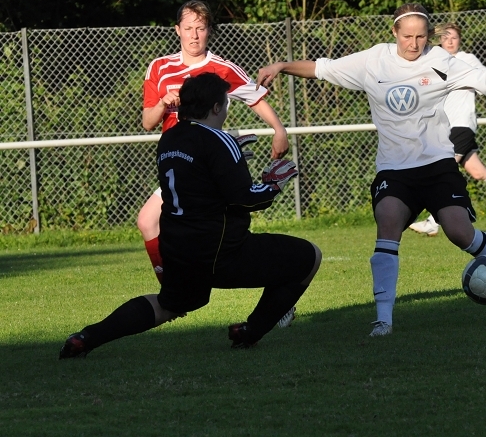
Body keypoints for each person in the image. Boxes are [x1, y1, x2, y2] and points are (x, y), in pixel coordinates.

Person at [256, 3, 486, 337]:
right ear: (395, 33)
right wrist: (283, 65)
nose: (414, 43)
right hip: (394, 169)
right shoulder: (373, 60)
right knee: (387, 224)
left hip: (437, 166)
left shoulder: (441, 61)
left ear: (428, 36)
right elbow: (322, 68)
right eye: (407, 36)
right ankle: (384, 321)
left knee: (460, 232)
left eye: (420, 36)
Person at [59, 72, 322, 359]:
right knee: (308, 257)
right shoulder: (219, 140)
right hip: (221, 253)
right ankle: (250, 332)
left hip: (179, 249)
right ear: (216, 108)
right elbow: (245, 200)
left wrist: (232, 161)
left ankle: (86, 338)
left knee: (168, 304)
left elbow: (200, 180)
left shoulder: (170, 138)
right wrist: (273, 185)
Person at [139, 0, 289, 285]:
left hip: (206, 163)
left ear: (209, 30)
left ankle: (176, 291)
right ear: (177, 30)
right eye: (188, 28)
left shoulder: (222, 68)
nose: (194, 35)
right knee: (150, 222)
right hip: (178, 161)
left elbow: (254, 98)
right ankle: (174, 289)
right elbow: (148, 121)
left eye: (201, 28)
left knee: (223, 240)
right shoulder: (159, 68)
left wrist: (278, 129)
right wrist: (162, 102)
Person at [410, 22, 486, 237]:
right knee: (478, 172)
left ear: (460, 41)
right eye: (446, 37)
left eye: (454, 37)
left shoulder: (467, 60)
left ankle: (432, 222)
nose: (449, 40)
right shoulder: (436, 60)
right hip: (445, 127)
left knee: (442, 171)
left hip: (462, 125)